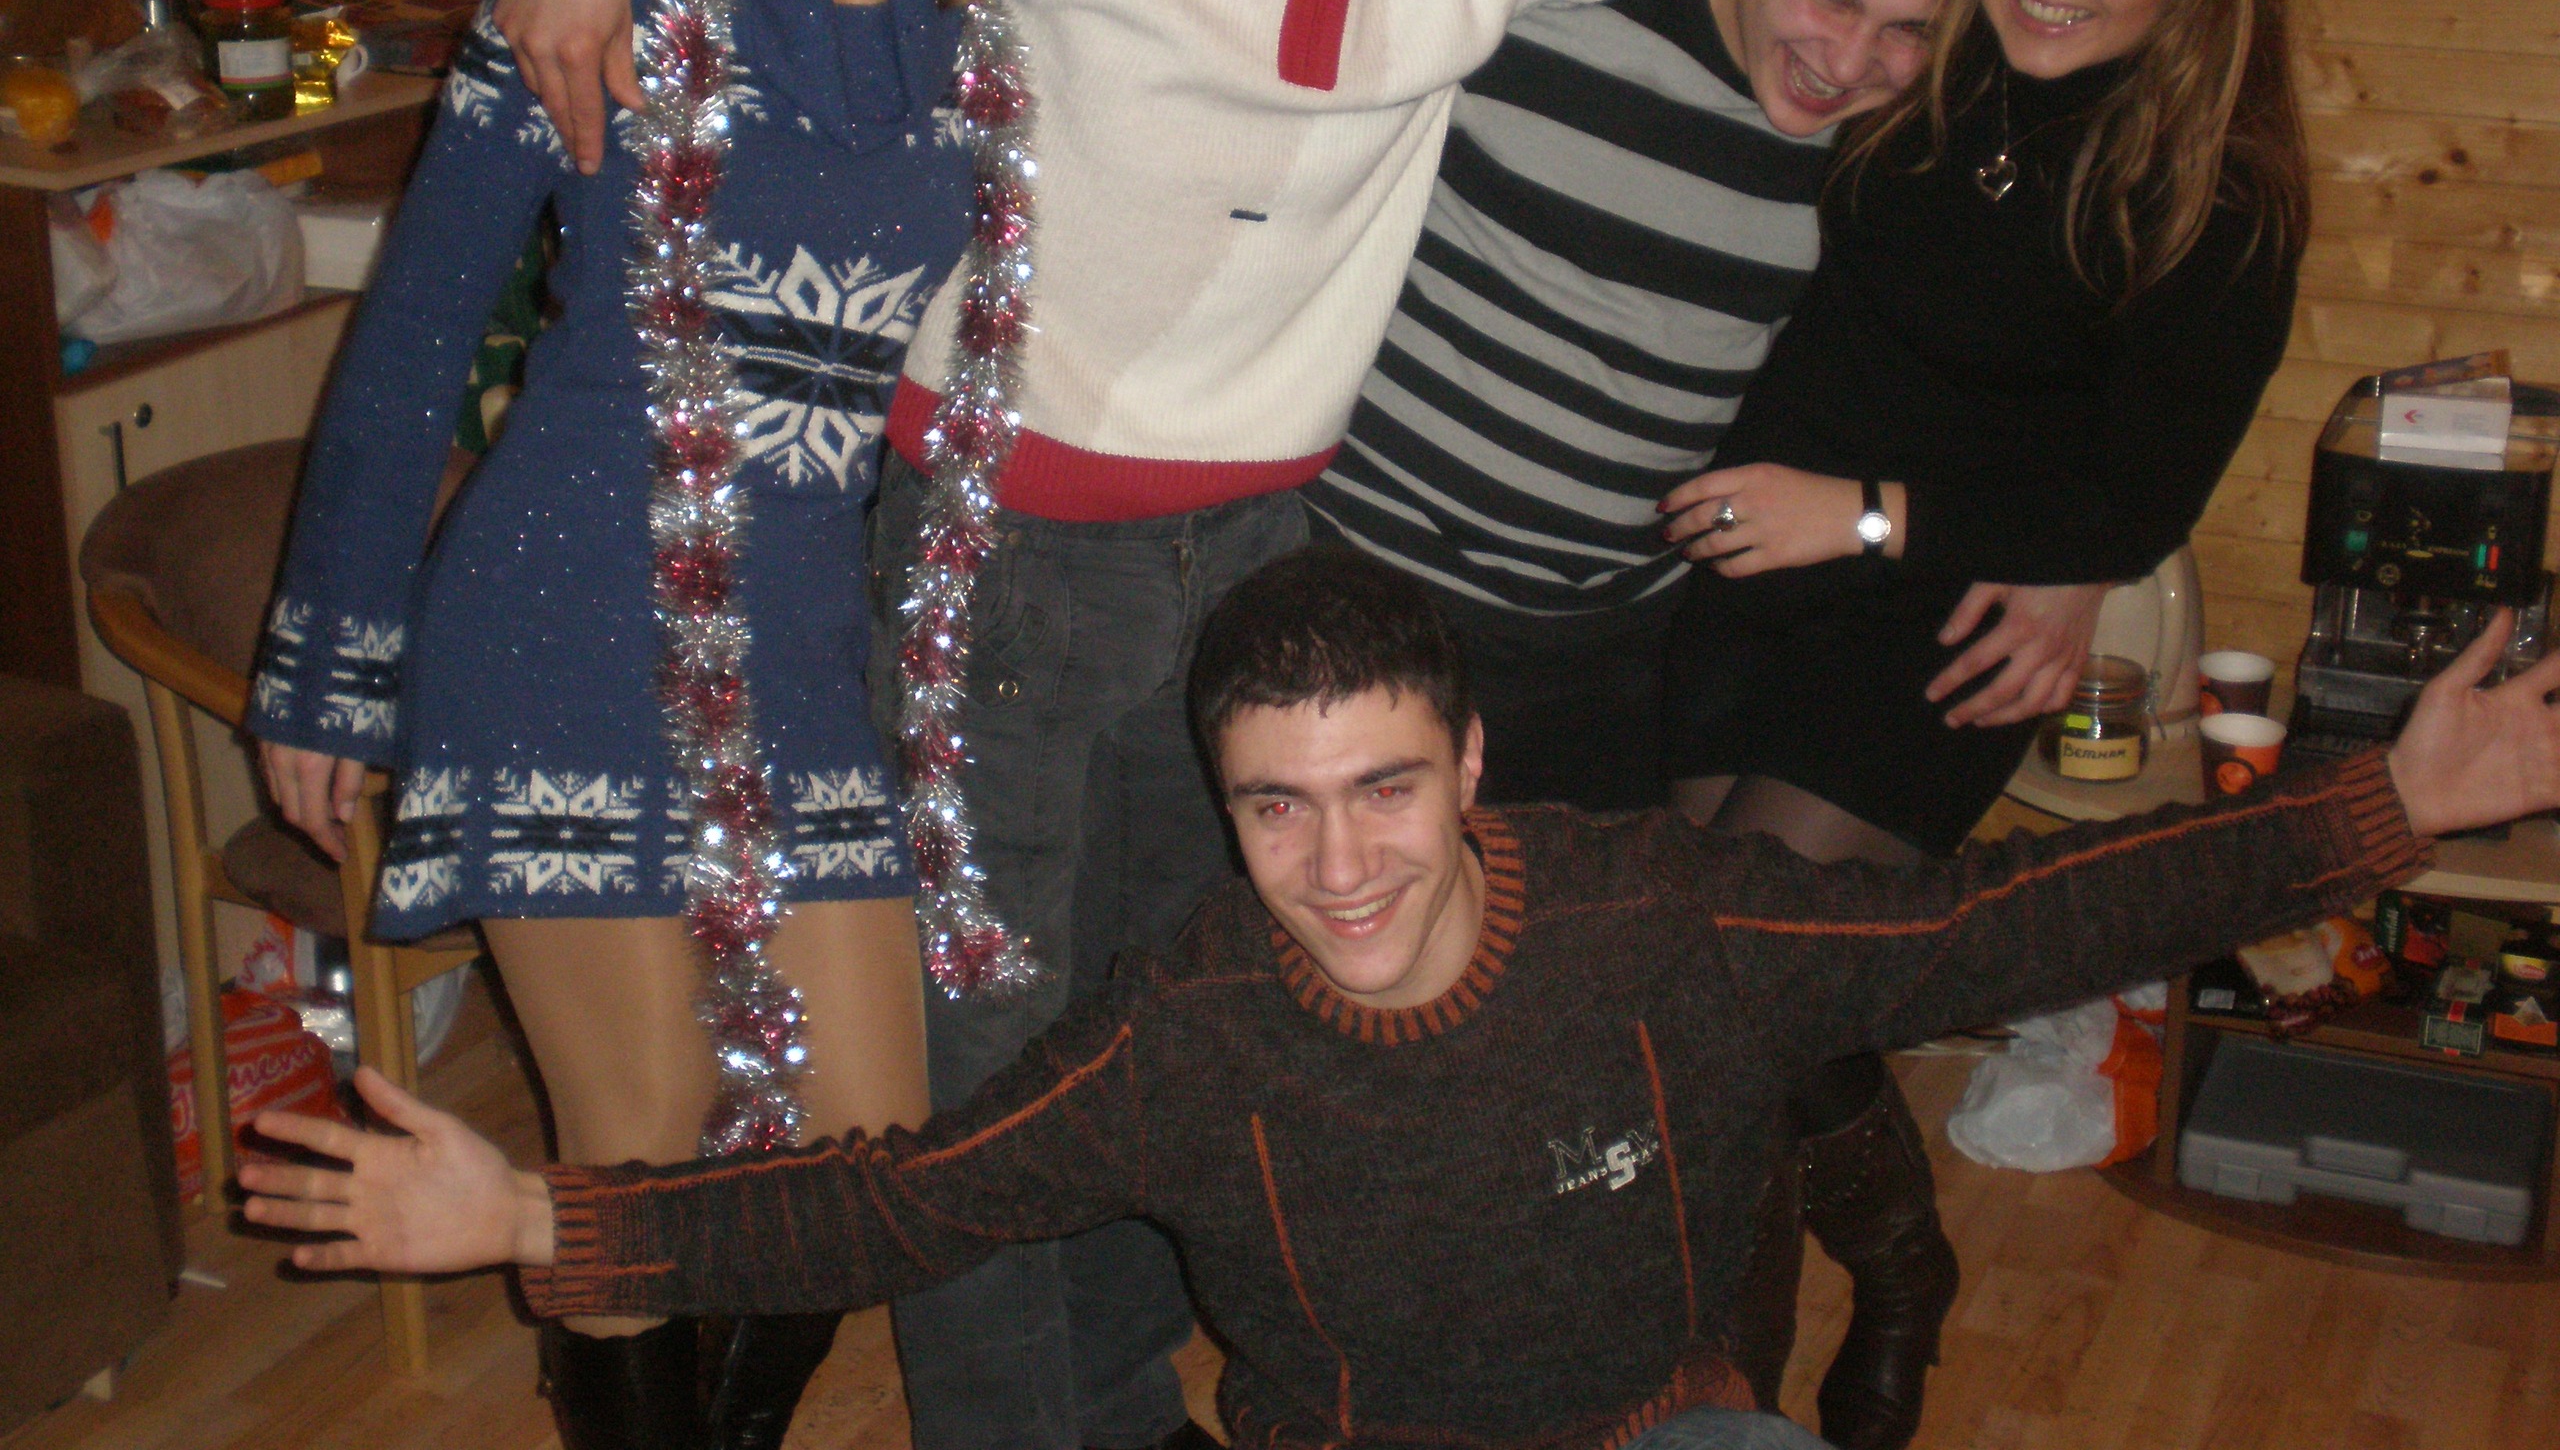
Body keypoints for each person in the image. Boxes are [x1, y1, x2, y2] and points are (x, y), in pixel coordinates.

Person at [485, 0, 1788, 1444]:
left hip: (1256, 557)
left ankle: (1114, 1399)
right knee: (993, 1054)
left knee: (1180, 1015)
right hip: (998, 557)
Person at [239, 547, 2560, 1450]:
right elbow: (895, 1202)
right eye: (1274, 809)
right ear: (1220, 804)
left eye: (1379, 792)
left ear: (1465, 767)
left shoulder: (1662, 921)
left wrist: (2382, 802)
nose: (1335, 869)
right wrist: (534, 1217)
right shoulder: (1183, 1038)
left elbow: (1999, 927)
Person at [244, 0, 996, 1444]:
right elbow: (419, 326)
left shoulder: (974, 21)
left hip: (796, 639)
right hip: (562, 618)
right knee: (640, 1158)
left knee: (864, 1170)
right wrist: (329, 662)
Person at [1651, 0, 2310, 1447]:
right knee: (1724, 985)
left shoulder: (2216, 194)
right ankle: (1902, 1264)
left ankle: (1730, 1402)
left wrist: (1873, 521)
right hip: (1752, 570)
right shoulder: (1934, 60)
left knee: (1734, 994)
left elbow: (2129, 495)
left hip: (1929, 621)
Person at [1302, 0, 1973, 813]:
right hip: (1368, 582)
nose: (1846, 62)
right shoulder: (1549, 1)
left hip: (1615, 643)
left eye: (1904, 31)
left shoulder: (1886, 148)